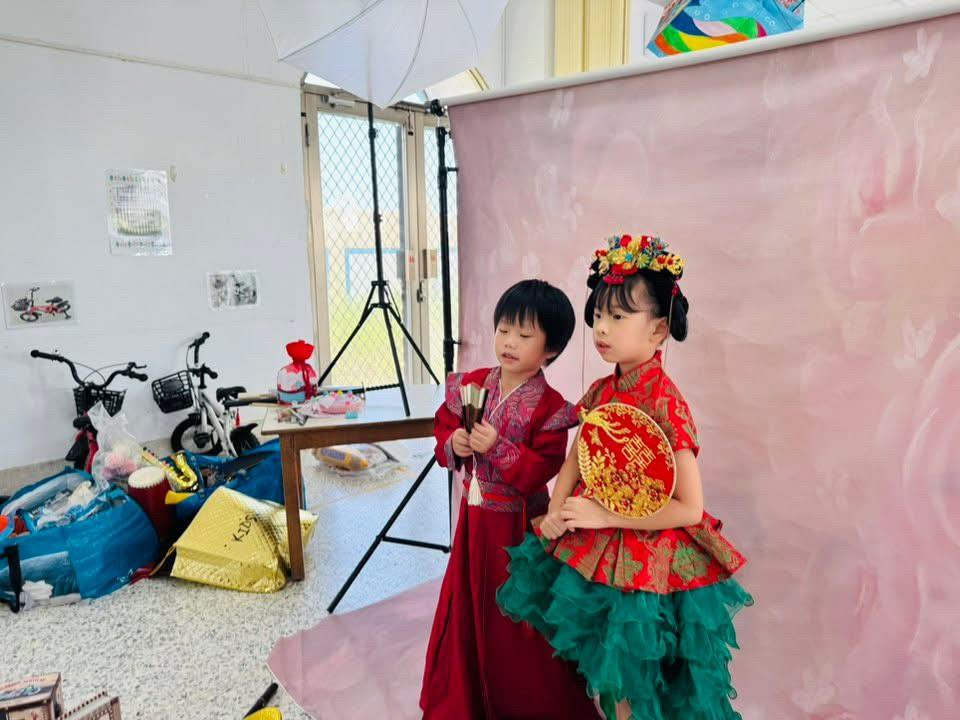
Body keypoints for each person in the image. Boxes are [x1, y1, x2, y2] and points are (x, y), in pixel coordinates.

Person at [498, 235, 752, 720]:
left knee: (635, 684)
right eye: (598, 315)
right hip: (596, 547)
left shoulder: (666, 403)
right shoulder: (602, 390)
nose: (601, 327)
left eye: (618, 316)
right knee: (605, 680)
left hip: (648, 561)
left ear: (658, 330)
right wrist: (556, 511)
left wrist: (603, 515)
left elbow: (689, 508)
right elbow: (578, 457)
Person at [420, 279, 601, 719]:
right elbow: (443, 428)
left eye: (524, 335)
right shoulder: (473, 384)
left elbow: (544, 467)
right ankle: (465, 700)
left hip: (518, 529)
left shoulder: (550, 407)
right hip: (474, 521)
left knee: (519, 617)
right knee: (467, 604)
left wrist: (498, 447)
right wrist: (455, 443)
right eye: (503, 330)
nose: (509, 342)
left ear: (550, 349)